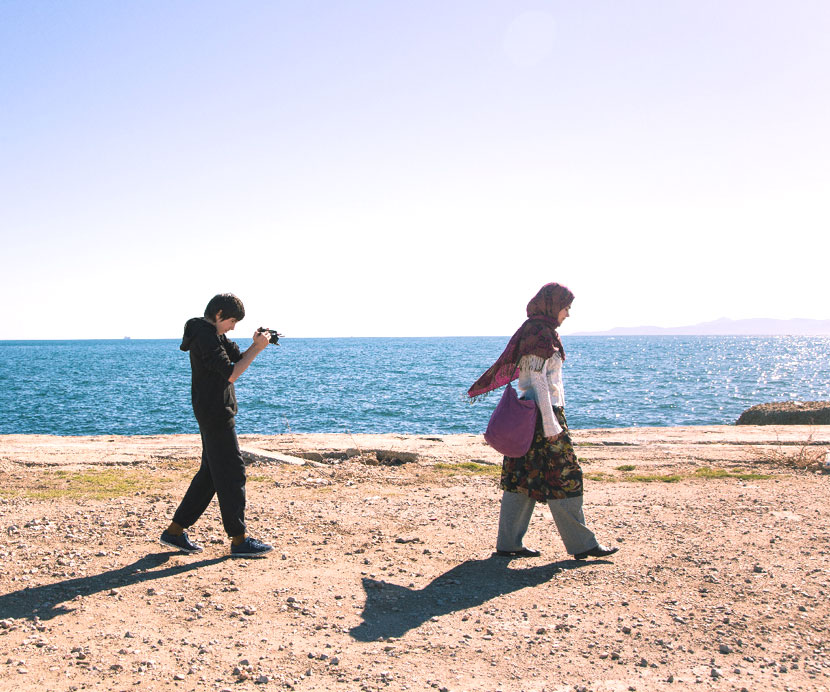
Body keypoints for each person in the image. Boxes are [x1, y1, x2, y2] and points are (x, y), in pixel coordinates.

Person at [468, 283, 618, 561]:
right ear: (553, 305)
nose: (567, 314)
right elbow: (537, 379)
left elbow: (538, 379)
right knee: (567, 476)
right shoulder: (539, 333)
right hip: (541, 417)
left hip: (531, 415)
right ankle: (582, 544)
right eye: (566, 307)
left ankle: (509, 543)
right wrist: (551, 424)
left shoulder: (537, 331)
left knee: (521, 478)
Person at [160, 293, 275, 558]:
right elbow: (232, 372)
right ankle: (239, 540)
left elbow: (237, 358)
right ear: (220, 314)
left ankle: (175, 532)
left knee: (210, 475)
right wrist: (257, 350)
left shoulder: (215, 334)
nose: (233, 327)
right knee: (233, 471)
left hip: (213, 409)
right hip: (214, 412)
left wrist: (256, 343)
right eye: (232, 321)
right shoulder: (205, 336)